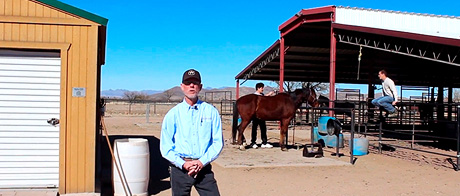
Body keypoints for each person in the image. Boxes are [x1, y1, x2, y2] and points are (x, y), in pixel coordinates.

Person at [160, 69, 223, 196]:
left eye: (195, 83)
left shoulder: (211, 112)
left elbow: (217, 142)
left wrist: (201, 162)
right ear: (182, 87)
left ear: (200, 87)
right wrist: (184, 164)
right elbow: (165, 147)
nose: (192, 86)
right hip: (180, 170)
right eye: (188, 83)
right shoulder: (173, 114)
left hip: (203, 168)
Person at [250, 82, 274, 149]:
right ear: (258, 88)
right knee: (254, 128)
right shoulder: (255, 95)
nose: (262, 89)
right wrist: (268, 95)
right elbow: (261, 99)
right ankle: (253, 142)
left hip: (262, 115)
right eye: (261, 88)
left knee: (263, 128)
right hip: (256, 115)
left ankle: (264, 142)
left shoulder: (262, 94)